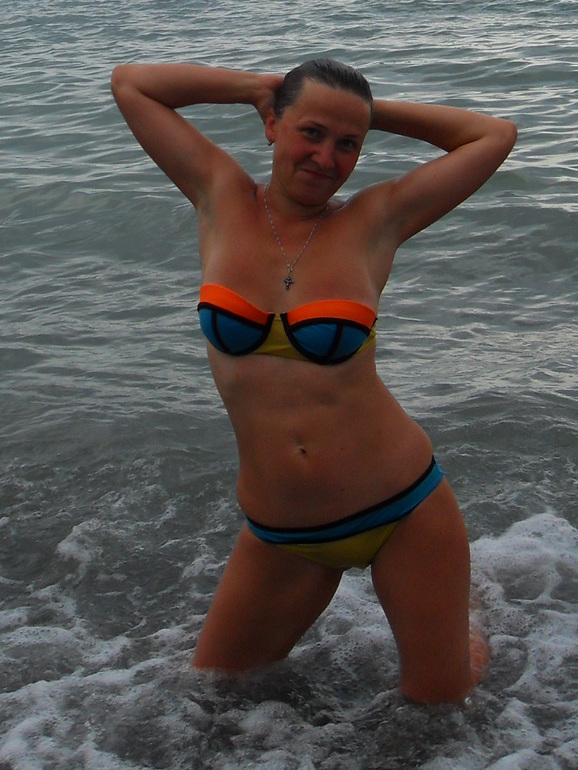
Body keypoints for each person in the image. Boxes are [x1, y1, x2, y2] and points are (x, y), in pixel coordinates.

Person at [111, 58, 516, 703]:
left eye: (348, 143)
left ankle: (465, 634)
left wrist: (368, 113)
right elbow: (132, 83)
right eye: (312, 132)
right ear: (273, 125)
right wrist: (254, 88)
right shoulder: (219, 194)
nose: (326, 158)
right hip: (283, 533)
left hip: (403, 509)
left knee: (438, 712)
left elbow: (493, 134)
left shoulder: (374, 221)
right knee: (208, 700)